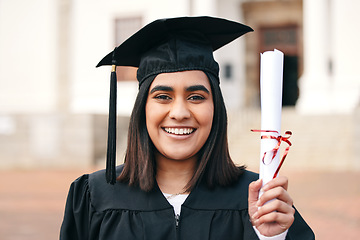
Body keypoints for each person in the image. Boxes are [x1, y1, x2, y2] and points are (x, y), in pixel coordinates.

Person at [60, 16, 315, 240]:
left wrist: (270, 238)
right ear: (142, 109)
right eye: (162, 96)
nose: (180, 113)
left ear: (216, 109)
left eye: (196, 97)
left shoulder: (260, 200)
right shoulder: (94, 197)